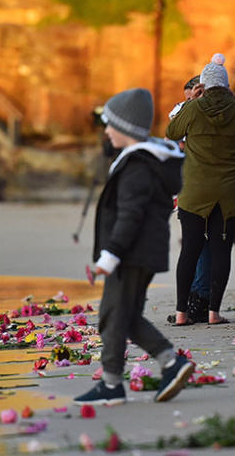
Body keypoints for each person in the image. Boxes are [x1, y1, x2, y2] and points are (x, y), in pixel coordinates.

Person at [73, 88, 194, 406]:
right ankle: (171, 361)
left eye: (110, 125)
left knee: (112, 316)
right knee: (124, 315)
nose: (106, 131)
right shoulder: (142, 161)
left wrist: (110, 256)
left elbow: (130, 216)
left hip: (131, 254)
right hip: (140, 253)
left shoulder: (138, 167)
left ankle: (112, 384)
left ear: (125, 129)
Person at [167, 54, 235, 326]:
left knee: (189, 250)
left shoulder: (194, 108)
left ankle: (181, 313)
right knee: (221, 251)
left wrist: (193, 101)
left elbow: (172, 131)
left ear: (203, 85)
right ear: (225, 85)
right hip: (228, 192)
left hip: (195, 191)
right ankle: (213, 312)